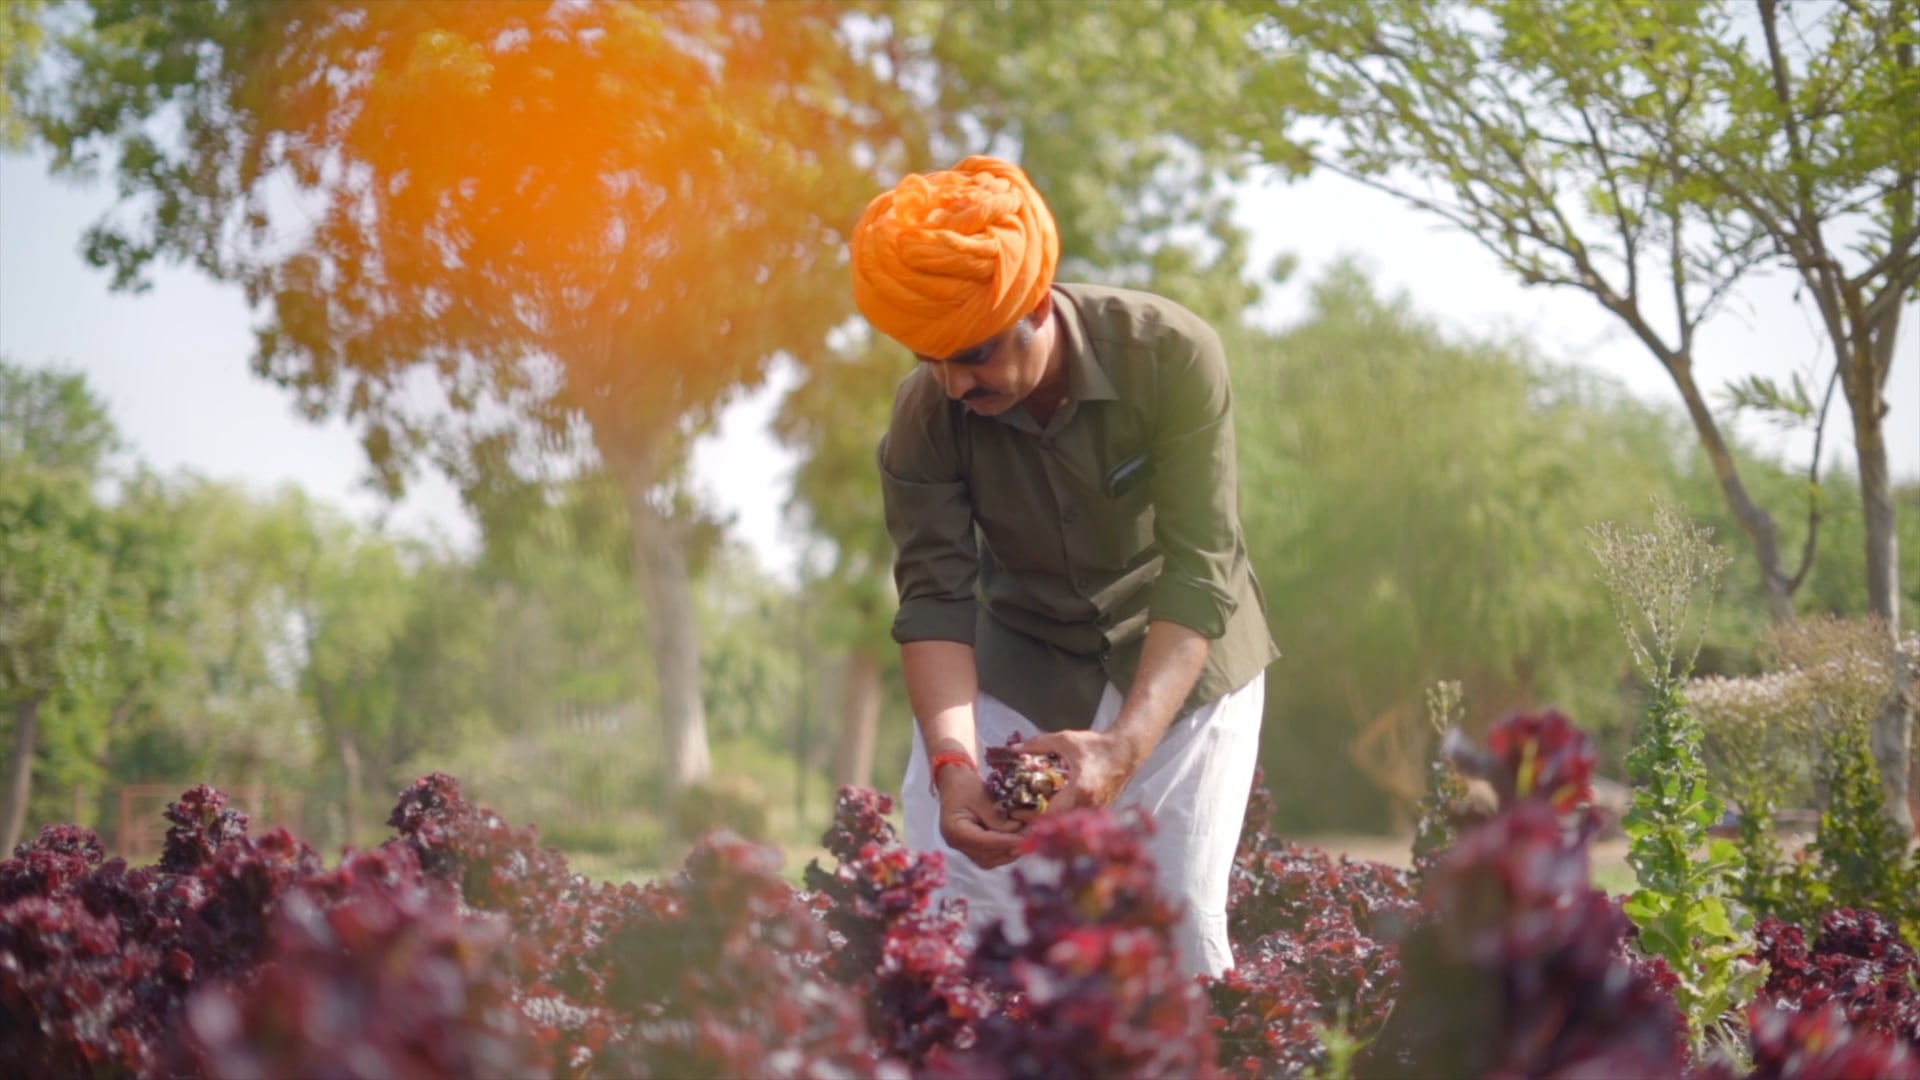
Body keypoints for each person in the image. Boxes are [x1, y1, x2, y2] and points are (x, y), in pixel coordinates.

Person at [850, 155, 1279, 977]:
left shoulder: (1172, 355)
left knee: (1177, 934)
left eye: (971, 353)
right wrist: (954, 766)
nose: (952, 380)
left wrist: (1122, 749)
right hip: (1020, 659)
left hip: (1178, 661)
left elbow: (1201, 568)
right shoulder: (927, 414)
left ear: (1037, 306)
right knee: (956, 931)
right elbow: (936, 601)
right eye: (929, 356)